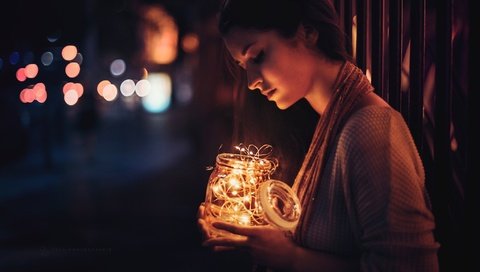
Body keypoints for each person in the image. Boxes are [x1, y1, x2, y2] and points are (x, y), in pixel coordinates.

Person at [197, 0, 440, 271]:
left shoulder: (371, 129)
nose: (252, 80)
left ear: (308, 32)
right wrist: (253, 235)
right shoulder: (325, 124)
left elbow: (411, 266)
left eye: (257, 56)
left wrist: (290, 258)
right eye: (244, 67)